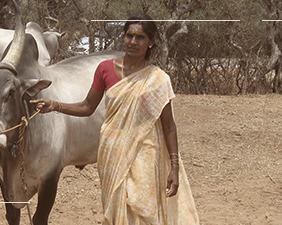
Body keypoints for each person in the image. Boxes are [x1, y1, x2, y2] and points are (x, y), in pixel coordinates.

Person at [30, 13, 199, 225]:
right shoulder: (105, 69)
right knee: (118, 208)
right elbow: (87, 106)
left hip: (146, 151)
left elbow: (169, 125)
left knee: (143, 207)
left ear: (152, 42)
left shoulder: (158, 79)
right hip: (112, 151)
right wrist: (55, 105)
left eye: (140, 38)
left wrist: (173, 166)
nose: (133, 42)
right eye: (129, 36)